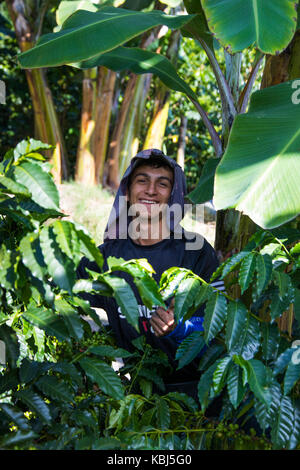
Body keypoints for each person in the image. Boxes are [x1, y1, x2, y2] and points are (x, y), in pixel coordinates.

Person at [76, 149, 224, 399]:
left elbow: (218, 330)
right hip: (131, 391)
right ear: (128, 190)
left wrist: (179, 328)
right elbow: (72, 313)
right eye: (142, 180)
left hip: (191, 391)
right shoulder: (102, 258)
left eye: (162, 184)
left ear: (173, 195)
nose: (151, 190)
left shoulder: (196, 253)